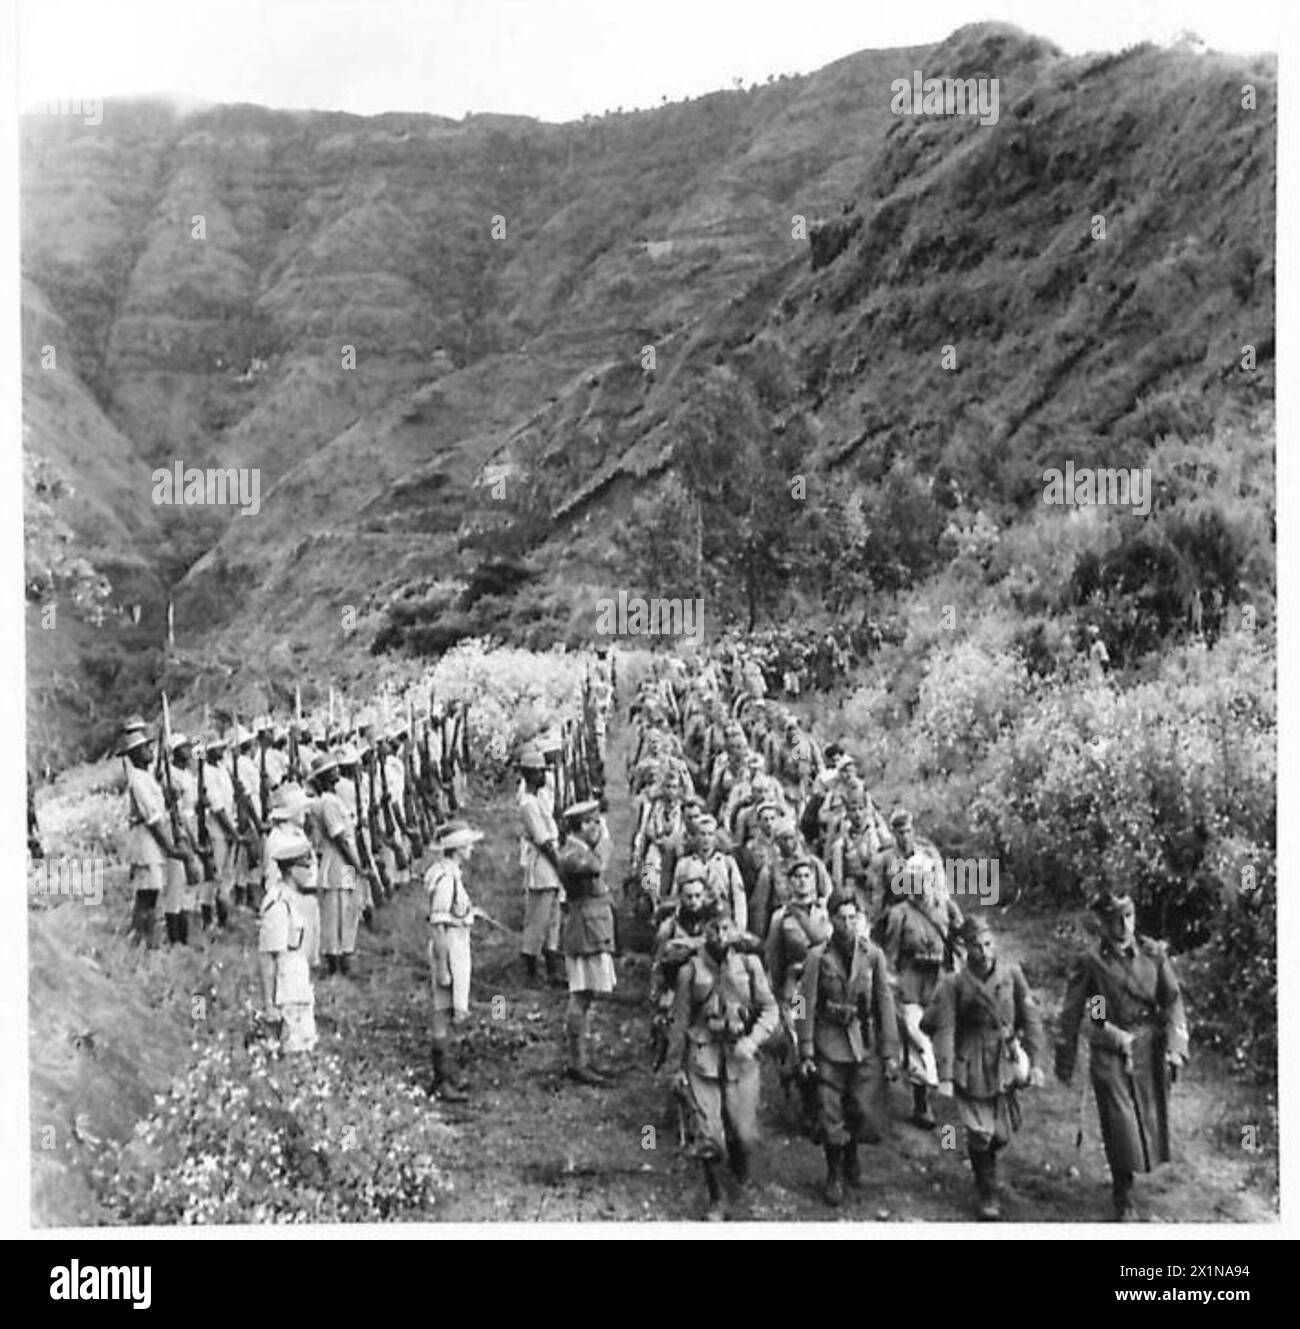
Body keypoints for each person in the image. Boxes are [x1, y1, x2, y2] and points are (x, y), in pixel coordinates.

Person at [1055, 891, 1190, 1221]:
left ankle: (1132, 1182)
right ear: (1101, 923)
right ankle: (1123, 1193)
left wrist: (1175, 1046)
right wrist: (1067, 1057)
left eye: (1128, 916)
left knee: (1150, 1117)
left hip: (1149, 1047)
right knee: (1120, 1124)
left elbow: (1172, 1000)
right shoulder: (1093, 961)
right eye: (1115, 919)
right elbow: (1082, 1011)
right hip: (1111, 1048)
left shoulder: (1153, 954)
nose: (1124, 925)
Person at [923, 914, 1044, 1219]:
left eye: (989, 943)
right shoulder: (954, 983)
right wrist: (946, 1076)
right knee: (980, 1132)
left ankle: (987, 1155)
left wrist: (1036, 1061)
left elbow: (1030, 1019)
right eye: (977, 946)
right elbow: (945, 1028)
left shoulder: (1012, 975)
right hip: (971, 1061)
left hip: (1004, 1059)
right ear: (966, 949)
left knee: (1000, 1135)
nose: (985, 951)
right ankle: (987, 1190)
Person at [664, 916, 779, 1219]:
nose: (720, 934)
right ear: (703, 931)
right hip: (703, 1058)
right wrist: (674, 1069)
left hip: (741, 1057)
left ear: (736, 929)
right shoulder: (690, 970)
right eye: (713, 927)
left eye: (726, 927)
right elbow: (680, 1020)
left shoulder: (750, 965)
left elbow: (770, 1009)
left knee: (744, 1136)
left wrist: (753, 1041)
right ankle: (717, 1198)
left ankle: (739, 1165)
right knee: (709, 1135)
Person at [797, 891, 900, 1205]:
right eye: (841, 918)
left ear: (862, 919)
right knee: (830, 1111)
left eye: (853, 917)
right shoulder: (817, 957)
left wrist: (890, 1053)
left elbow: (885, 1003)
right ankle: (834, 1172)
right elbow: (802, 1003)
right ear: (830, 920)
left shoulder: (873, 955)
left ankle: (851, 1154)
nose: (847, 923)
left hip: (862, 1040)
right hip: (828, 1040)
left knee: (859, 1107)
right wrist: (805, 1049)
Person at [880, 859, 964, 1129]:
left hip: (941, 980)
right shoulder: (899, 913)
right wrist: (892, 984)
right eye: (914, 878)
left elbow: (960, 939)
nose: (921, 884)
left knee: (946, 1033)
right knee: (918, 1038)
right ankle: (921, 1101)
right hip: (912, 980)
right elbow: (889, 954)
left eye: (925, 877)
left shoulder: (946, 907)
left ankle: (952, 1085)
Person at [558, 799, 619, 1085]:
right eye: (592, 823)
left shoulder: (578, 849)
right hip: (584, 930)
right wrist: (604, 840)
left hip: (591, 927)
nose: (596, 828)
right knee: (581, 995)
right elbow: (597, 865)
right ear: (581, 826)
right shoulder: (573, 854)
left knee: (587, 996)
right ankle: (577, 1062)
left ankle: (582, 1059)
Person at [426, 820, 486, 1102]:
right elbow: (437, 925)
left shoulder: (450, 875)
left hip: (456, 943)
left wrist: (471, 913)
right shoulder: (446, 880)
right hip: (448, 948)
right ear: (458, 848)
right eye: (468, 845)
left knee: (448, 1012)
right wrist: (442, 967)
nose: (472, 849)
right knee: (441, 1013)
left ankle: (446, 1076)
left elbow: (453, 911)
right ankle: (442, 1080)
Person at [120, 728, 194, 946]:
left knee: (151, 894)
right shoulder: (138, 781)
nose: (150, 750)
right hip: (145, 843)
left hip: (152, 844)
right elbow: (152, 819)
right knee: (147, 895)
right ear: (135, 754)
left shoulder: (147, 778)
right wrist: (170, 848)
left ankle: (143, 940)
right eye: (145, 748)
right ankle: (142, 941)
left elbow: (161, 810)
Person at [307, 751, 369, 977]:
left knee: (348, 906)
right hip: (339, 861)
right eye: (331, 771)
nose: (337, 772)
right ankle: (334, 958)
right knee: (335, 909)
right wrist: (357, 865)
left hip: (346, 861)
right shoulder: (327, 803)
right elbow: (339, 838)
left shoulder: (334, 800)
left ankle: (345, 953)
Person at [258, 826, 319, 1054]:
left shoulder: (297, 901)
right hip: (285, 991)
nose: (309, 871)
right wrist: (269, 1005)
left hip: (299, 986)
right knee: (291, 1051)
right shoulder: (278, 904)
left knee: (306, 1047)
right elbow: (268, 958)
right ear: (292, 870)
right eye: (305, 866)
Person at [517, 743, 566, 986]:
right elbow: (543, 840)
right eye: (539, 772)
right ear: (529, 774)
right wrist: (560, 866)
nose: (544, 776)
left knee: (554, 916)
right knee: (538, 917)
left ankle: (553, 963)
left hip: (550, 860)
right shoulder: (528, 804)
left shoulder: (539, 799)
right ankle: (530, 968)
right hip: (543, 863)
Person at [264, 783, 320, 968]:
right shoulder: (279, 839)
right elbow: (274, 878)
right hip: (291, 902)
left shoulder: (298, 834)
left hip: (307, 897)